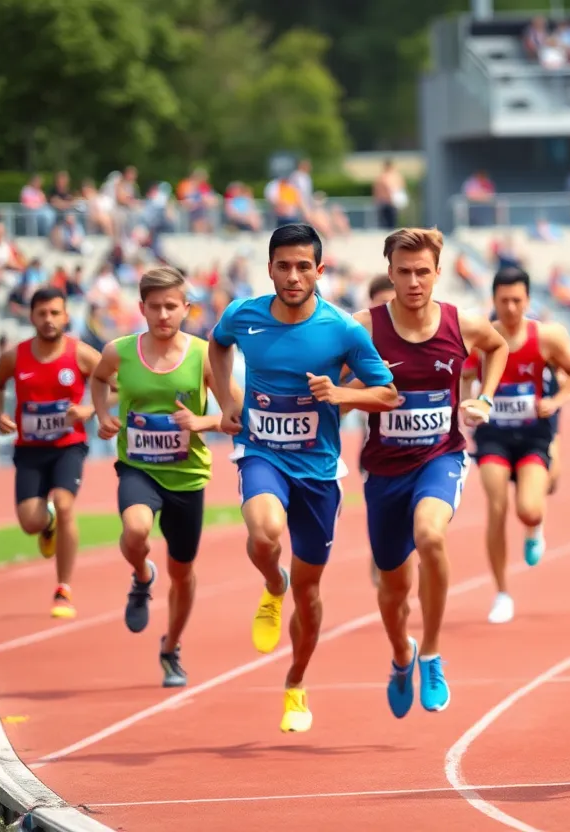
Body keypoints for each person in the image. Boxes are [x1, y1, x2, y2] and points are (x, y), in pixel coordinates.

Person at [208, 223, 399, 733]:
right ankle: (273, 583)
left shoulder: (342, 329)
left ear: (320, 269)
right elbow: (217, 345)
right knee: (265, 533)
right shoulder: (242, 316)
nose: (292, 276)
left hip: (318, 469)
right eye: (282, 266)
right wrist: (228, 402)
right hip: (261, 450)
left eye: (302, 267)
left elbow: (386, 393)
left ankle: (295, 682)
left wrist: (340, 395)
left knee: (310, 594)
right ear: (269, 268)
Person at [357, 228, 507, 718]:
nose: (415, 281)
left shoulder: (459, 324)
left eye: (424, 272)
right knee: (393, 590)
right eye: (404, 272)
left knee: (431, 535)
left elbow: (497, 346)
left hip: (440, 457)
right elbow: (330, 375)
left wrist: (484, 396)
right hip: (384, 471)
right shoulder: (364, 328)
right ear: (391, 273)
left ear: (438, 274)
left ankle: (435, 651)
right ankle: (403, 654)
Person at [91, 266, 236, 687]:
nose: (163, 315)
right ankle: (140, 575)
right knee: (135, 530)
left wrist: (201, 422)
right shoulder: (118, 351)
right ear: (141, 308)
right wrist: (102, 415)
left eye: (171, 306)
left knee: (182, 572)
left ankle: (171, 647)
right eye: (154, 307)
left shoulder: (204, 355)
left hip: (187, 476)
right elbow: (99, 379)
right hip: (138, 467)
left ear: (186, 308)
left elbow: (233, 415)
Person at [466, 267, 570, 625]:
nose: (511, 308)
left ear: (528, 300)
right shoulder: (483, 339)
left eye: (517, 300)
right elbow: (465, 375)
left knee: (529, 509)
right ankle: (502, 593)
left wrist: (557, 400)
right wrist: (466, 404)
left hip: (534, 435)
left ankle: (535, 527)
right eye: (504, 301)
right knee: (496, 505)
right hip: (494, 436)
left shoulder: (546, 338)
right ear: (494, 301)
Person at [0, 287, 99, 618]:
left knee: (66, 504)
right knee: (29, 522)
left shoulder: (80, 354)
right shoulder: (15, 356)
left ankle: (63, 589)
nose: (49, 320)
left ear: (66, 316)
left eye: (55, 313)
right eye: (42, 313)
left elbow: (116, 382)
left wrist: (90, 410)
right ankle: (46, 520)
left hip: (68, 446)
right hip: (30, 450)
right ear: (31, 316)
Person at [354, 274, 397, 590]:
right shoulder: (359, 342)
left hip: (425, 448)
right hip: (376, 448)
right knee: (383, 523)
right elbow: (341, 397)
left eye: (390, 302)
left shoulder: (420, 337)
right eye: (379, 303)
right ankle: (380, 566)